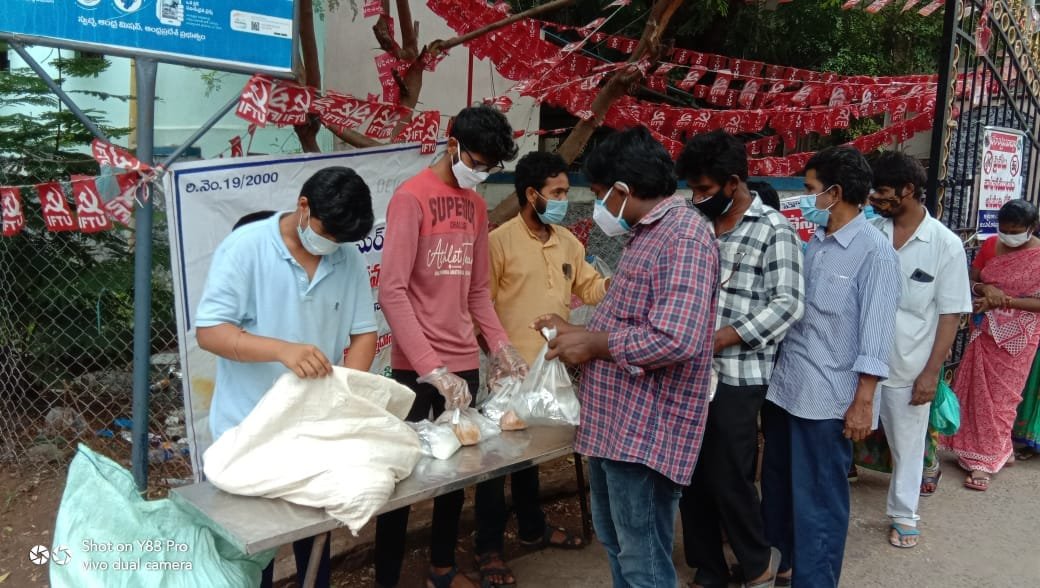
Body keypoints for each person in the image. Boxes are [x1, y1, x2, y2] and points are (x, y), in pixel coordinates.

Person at [533, 126, 719, 588]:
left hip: (646, 433)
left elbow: (678, 338)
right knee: (617, 543)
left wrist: (596, 344)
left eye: (598, 196)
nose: (598, 208)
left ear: (621, 190)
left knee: (643, 560)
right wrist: (577, 331)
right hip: (616, 426)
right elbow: (633, 323)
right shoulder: (647, 234)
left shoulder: (684, 237)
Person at [194, 167, 379, 588]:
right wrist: (281, 349)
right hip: (248, 431)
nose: (332, 246)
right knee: (252, 552)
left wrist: (345, 393)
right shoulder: (246, 248)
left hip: (314, 430)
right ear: (303, 207)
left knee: (315, 542)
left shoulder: (346, 257)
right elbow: (210, 332)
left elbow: (363, 334)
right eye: (328, 233)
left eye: (341, 241)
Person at [374, 105, 528, 588]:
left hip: (464, 363)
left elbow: (477, 290)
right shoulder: (411, 198)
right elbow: (392, 291)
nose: (479, 172)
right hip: (416, 369)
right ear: (451, 140)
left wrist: (501, 347)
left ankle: (441, 565)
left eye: (488, 167)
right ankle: (388, 578)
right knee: (402, 479)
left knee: (457, 475)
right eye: (476, 160)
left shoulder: (477, 206)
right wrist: (429, 368)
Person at [761, 146, 901, 587]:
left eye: (809, 190)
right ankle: (786, 569)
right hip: (786, 392)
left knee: (819, 503)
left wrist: (864, 402)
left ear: (835, 192)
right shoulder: (815, 244)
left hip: (828, 404)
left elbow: (877, 335)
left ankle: (816, 581)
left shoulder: (875, 252)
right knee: (780, 494)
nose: (804, 199)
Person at [675, 130, 803, 588]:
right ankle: (708, 568)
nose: (697, 198)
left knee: (730, 475)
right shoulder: (696, 224)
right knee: (689, 474)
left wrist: (724, 338)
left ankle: (756, 566)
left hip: (739, 375)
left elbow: (788, 304)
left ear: (733, 183)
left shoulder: (773, 228)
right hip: (689, 371)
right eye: (693, 189)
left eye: (705, 190)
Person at [476, 151, 605, 582]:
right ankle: (489, 548)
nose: (565, 199)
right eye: (558, 192)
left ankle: (532, 529)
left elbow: (589, 288)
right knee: (495, 462)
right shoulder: (499, 242)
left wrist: (629, 280)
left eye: (567, 191)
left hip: (552, 372)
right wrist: (497, 358)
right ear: (532, 195)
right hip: (508, 372)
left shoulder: (569, 242)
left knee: (533, 456)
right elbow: (481, 307)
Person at [865, 151, 971, 547]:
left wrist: (931, 372)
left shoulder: (943, 244)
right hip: (860, 359)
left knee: (908, 445)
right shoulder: (870, 232)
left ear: (909, 190)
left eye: (883, 190)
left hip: (909, 365)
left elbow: (949, 314)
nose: (874, 197)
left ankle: (903, 514)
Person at [939, 199, 1040, 491]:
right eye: (1004, 230)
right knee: (975, 392)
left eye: (1016, 231)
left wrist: (1005, 300)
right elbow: (970, 277)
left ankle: (985, 460)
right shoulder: (992, 245)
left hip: (1021, 334)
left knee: (1003, 398)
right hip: (985, 329)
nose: (1009, 236)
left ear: (1031, 228)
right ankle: (993, 450)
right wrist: (985, 288)